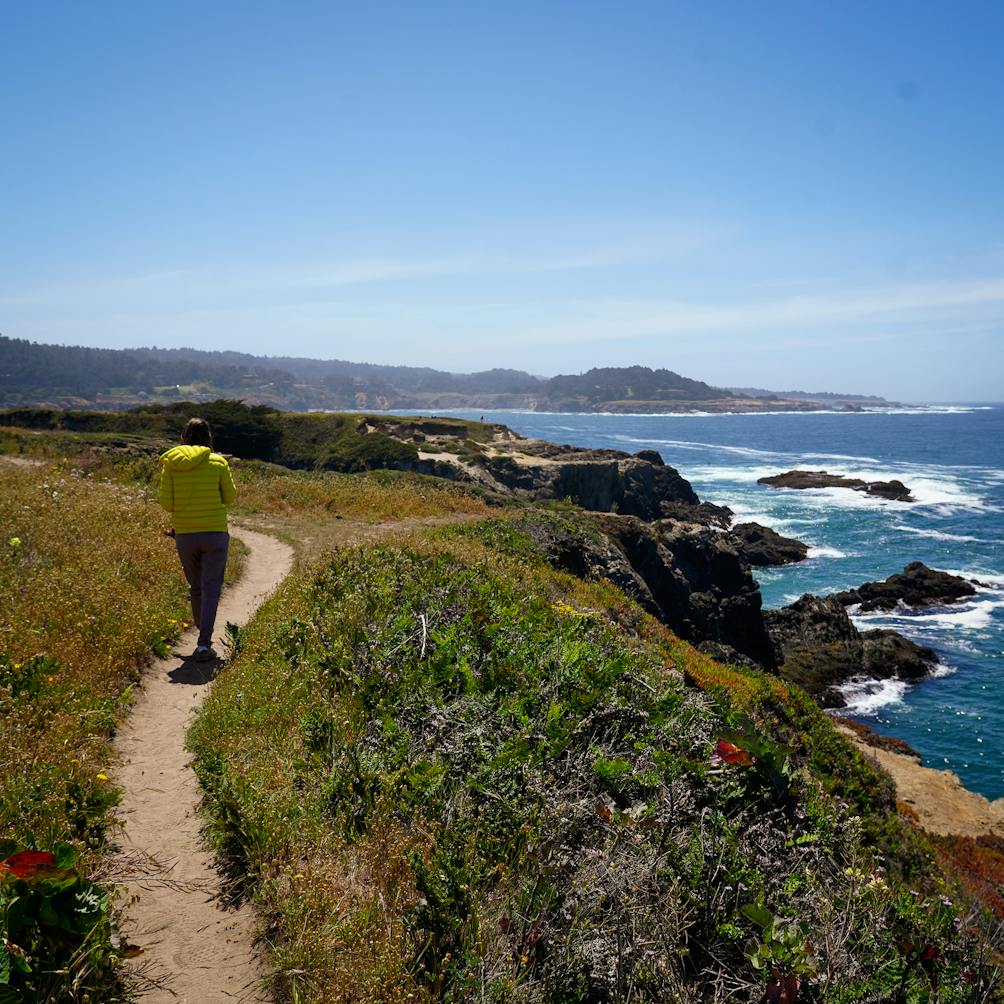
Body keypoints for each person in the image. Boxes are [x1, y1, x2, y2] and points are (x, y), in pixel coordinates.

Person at [158, 418, 237, 661]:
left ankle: (202, 633)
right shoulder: (218, 462)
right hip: (214, 532)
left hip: (185, 534)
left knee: (196, 587)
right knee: (212, 587)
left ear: (183, 437)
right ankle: (204, 643)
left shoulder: (170, 465)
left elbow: (167, 504)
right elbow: (230, 497)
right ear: (209, 438)